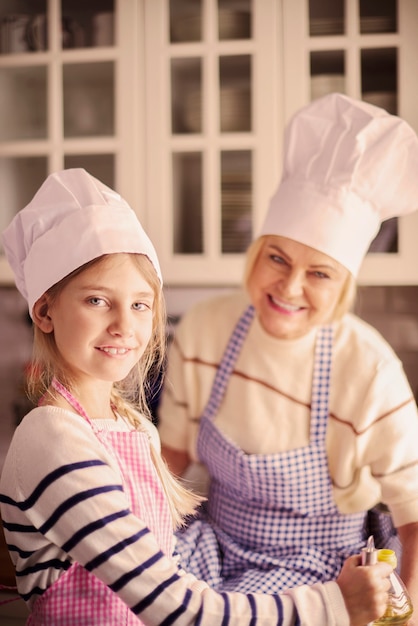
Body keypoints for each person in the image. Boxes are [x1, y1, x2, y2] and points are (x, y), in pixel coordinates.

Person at [0, 168, 393, 626]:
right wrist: (332, 604)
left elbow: (164, 567)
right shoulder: (53, 439)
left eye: (140, 304)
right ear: (45, 311)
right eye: (97, 300)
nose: (124, 326)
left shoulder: (129, 424)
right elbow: (177, 607)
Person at [158, 93, 418, 613]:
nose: (290, 287)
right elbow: (172, 460)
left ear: (344, 282)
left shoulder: (369, 370)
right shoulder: (207, 327)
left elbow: (414, 517)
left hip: (322, 568)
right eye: (276, 257)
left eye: (319, 272)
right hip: (214, 545)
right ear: (256, 253)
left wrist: (408, 610)